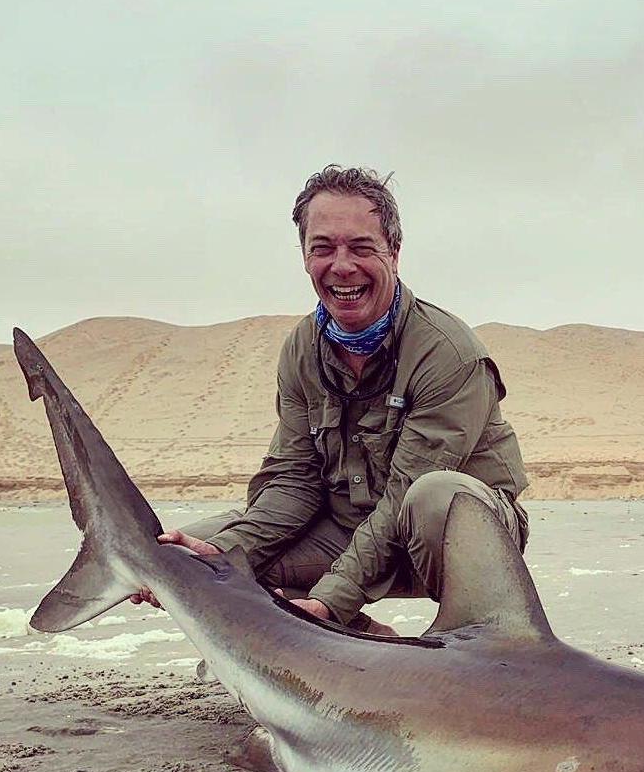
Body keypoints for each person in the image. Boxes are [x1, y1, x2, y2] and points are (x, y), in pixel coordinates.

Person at [135, 166, 529, 633]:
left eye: (361, 248)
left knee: (435, 497)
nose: (342, 266)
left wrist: (327, 601)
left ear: (394, 253)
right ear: (305, 257)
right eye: (322, 248)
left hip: (454, 536)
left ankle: (477, 647)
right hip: (348, 530)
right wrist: (224, 553)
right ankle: (363, 646)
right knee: (194, 559)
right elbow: (293, 480)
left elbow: (403, 497)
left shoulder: (447, 352)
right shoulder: (302, 349)